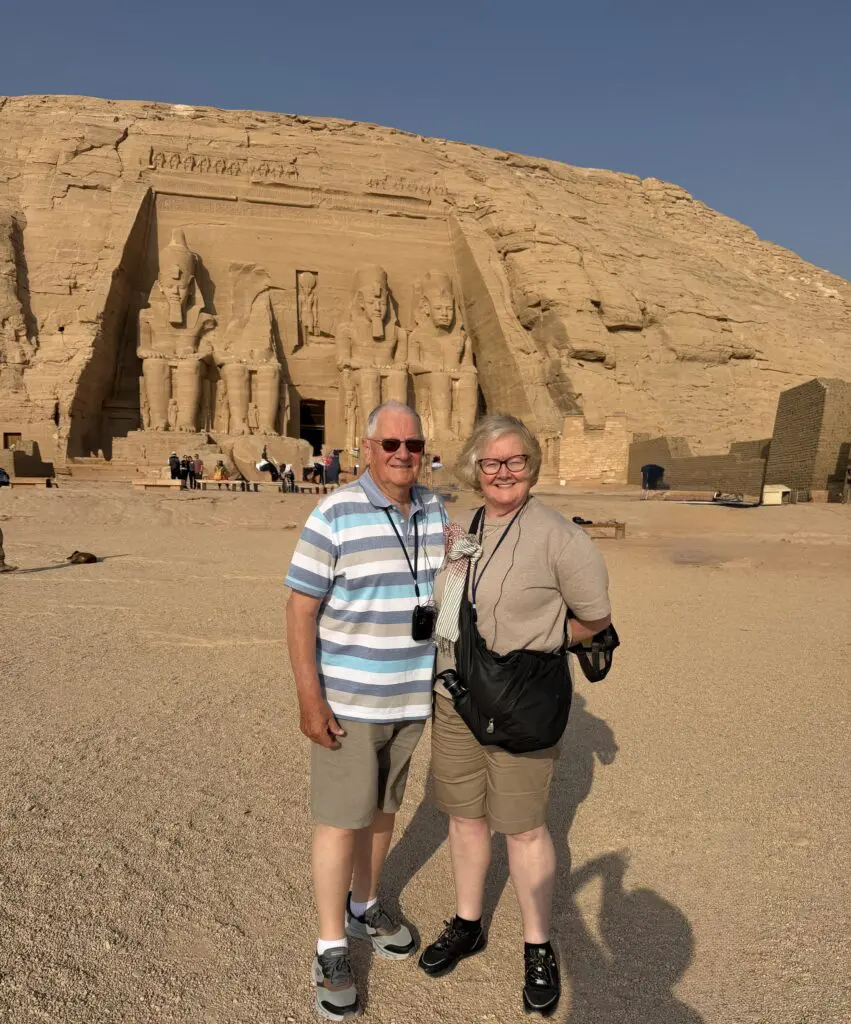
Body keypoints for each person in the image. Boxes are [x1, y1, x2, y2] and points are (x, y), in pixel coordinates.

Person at [418, 414, 611, 1016]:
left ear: (531, 465)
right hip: (456, 699)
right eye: (491, 463)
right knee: (465, 817)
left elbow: (595, 620)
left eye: (515, 461)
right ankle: (469, 921)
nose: (503, 473)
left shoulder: (561, 536)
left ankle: (537, 944)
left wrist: (544, 643)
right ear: (475, 469)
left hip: (521, 703)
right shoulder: (466, 527)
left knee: (524, 827)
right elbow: (452, 603)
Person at [285, 400, 446, 1021]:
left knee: (382, 813)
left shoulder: (434, 510)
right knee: (339, 820)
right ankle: (330, 945)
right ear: (365, 447)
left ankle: (365, 904)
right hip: (349, 702)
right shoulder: (334, 512)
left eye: (413, 444)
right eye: (390, 445)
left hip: (409, 697)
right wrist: (309, 697)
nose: (403, 454)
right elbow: (300, 608)